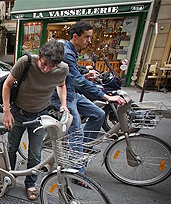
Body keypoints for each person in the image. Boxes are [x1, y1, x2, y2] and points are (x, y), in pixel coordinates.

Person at [50, 22, 125, 173]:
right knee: (76, 132)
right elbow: (78, 81)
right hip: (62, 96)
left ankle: (81, 150)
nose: (89, 40)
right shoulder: (67, 52)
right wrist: (105, 97)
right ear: (75, 37)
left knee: (99, 114)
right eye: (87, 37)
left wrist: (85, 73)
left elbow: (73, 74)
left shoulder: (70, 49)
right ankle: (77, 172)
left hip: (72, 92)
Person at [2, 40, 69, 200]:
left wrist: (64, 104)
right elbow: (7, 85)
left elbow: (61, 85)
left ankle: (30, 184)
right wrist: (6, 111)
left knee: (35, 154)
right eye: (44, 63)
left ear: (58, 64)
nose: (46, 69)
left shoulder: (62, 70)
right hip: (18, 112)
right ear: (39, 56)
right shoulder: (26, 62)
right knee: (11, 148)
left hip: (40, 115)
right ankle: (8, 178)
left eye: (51, 66)